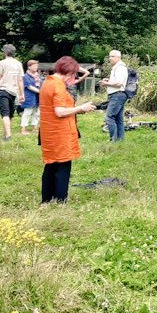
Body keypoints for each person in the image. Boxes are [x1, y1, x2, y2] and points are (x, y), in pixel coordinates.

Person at [38, 56, 96, 203]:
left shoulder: (48, 82)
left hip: (49, 131)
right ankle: (60, 200)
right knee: (63, 166)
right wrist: (80, 108)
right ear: (69, 72)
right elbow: (59, 111)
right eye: (74, 73)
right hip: (60, 133)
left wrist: (79, 110)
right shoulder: (58, 86)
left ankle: (46, 200)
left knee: (50, 166)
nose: (74, 76)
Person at [0, 44, 25, 141]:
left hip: (4, 90)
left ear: (5, 52)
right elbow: (20, 80)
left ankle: (8, 136)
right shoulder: (18, 64)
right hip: (14, 92)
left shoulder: (2, 63)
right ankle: (7, 133)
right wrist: (22, 94)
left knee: (5, 114)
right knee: (10, 114)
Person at [100, 50, 129, 142]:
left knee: (109, 117)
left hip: (117, 95)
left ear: (118, 57)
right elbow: (117, 81)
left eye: (112, 56)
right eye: (109, 56)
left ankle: (113, 140)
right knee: (118, 119)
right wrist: (108, 80)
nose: (110, 58)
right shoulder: (117, 67)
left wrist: (106, 84)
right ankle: (119, 141)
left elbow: (119, 83)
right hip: (119, 95)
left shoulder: (120, 68)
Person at [21, 60, 42, 135]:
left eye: (36, 66)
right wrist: (40, 91)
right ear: (29, 67)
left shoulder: (38, 76)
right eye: (34, 66)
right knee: (27, 112)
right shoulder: (25, 76)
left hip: (38, 97)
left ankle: (35, 127)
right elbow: (29, 86)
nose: (35, 67)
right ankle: (23, 128)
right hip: (29, 96)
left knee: (36, 112)